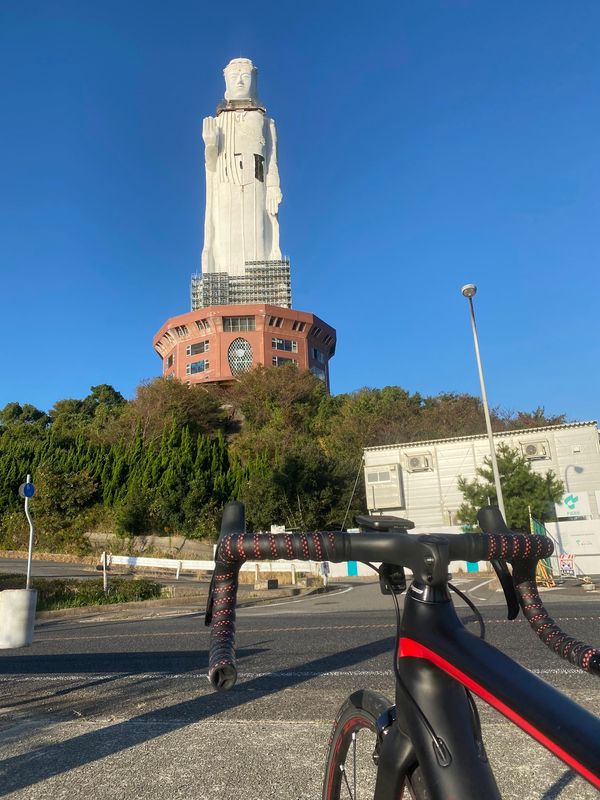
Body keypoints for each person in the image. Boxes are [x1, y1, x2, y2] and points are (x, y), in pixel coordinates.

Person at [201, 58, 283, 276]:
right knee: (225, 238)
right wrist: (210, 145)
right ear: (226, 82)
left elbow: (271, 157)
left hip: (255, 183)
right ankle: (227, 285)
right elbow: (212, 166)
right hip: (227, 184)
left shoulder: (265, 122)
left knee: (257, 232)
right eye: (234, 76)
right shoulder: (218, 122)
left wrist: (274, 186)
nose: (239, 81)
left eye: (245, 76)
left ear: (254, 81)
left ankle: (258, 283)